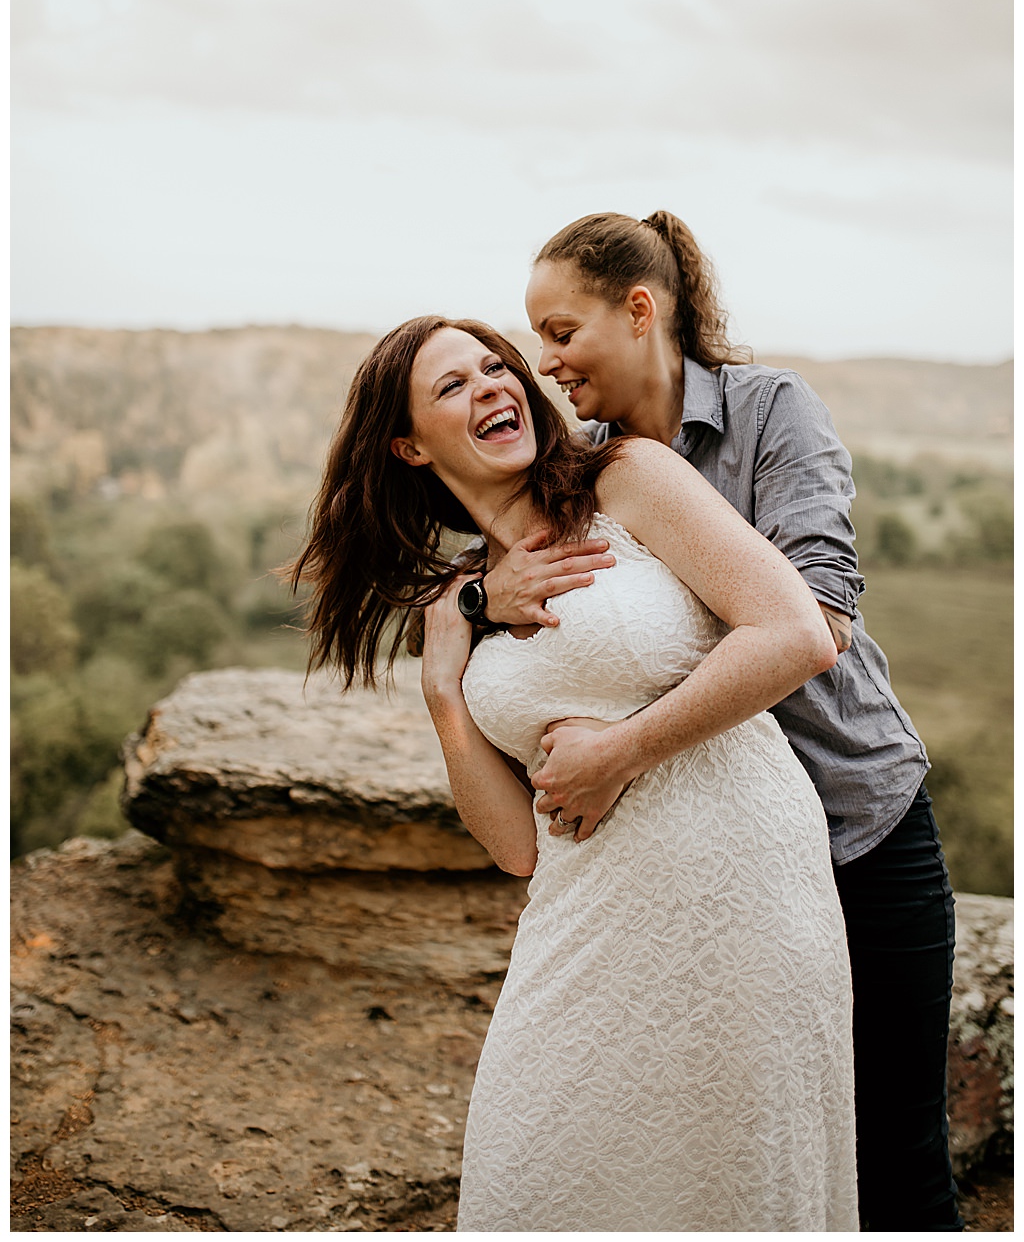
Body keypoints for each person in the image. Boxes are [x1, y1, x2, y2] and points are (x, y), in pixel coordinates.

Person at [291, 314, 858, 1231]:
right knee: (534, 1172)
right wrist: (444, 689)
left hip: (745, 890)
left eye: (495, 366)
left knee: (733, 1181)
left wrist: (621, 749)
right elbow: (516, 845)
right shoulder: (462, 600)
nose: (491, 386)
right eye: (451, 386)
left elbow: (795, 632)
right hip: (582, 918)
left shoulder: (626, 479)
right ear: (407, 446)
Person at [470, 209, 960, 1232]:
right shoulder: (588, 461)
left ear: (638, 309)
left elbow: (812, 616)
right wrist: (482, 599)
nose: (544, 362)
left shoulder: (771, 410)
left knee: (895, 1164)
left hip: (858, 824)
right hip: (719, 868)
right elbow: (493, 558)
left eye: (560, 332)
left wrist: (623, 742)